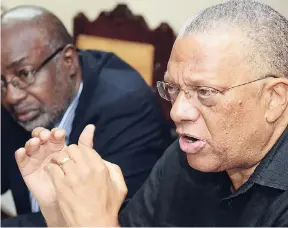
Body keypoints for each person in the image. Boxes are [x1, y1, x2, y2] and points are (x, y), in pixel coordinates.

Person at [4, 0, 288, 226]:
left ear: (274, 98)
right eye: (174, 89)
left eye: (205, 92)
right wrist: (59, 209)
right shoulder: (182, 161)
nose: (178, 112)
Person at [0, 5, 173, 221]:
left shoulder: (127, 106)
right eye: (1, 81)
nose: (11, 97)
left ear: (68, 61)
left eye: (24, 73)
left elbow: (115, 217)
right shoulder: (17, 99)